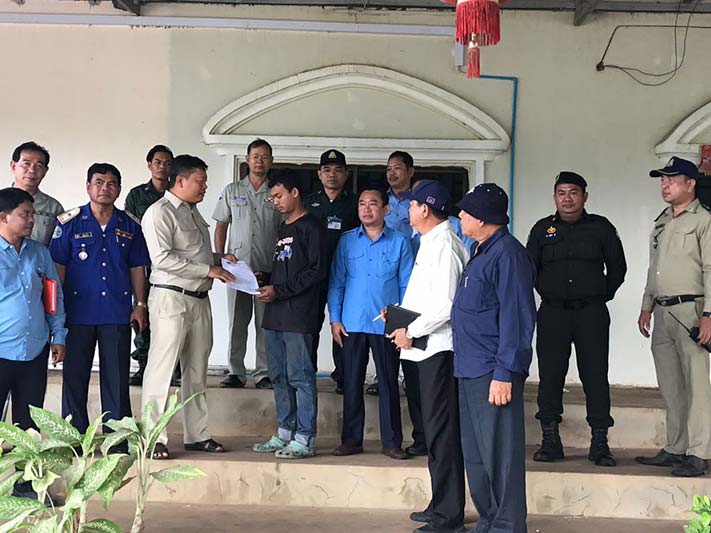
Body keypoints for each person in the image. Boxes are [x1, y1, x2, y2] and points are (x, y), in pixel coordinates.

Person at [526, 171, 627, 467]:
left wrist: (599, 295)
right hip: (553, 312)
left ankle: (600, 442)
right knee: (550, 375)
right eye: (561, 193)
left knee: (595, 375)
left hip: (590, 313)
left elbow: (618, 268)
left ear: (585, 196)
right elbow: (530, 270)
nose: (567, 199)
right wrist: (549, 291)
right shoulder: (542, 229)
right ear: (554, 197)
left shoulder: (601, 228)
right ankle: (550, 440)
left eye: (573, 192)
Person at [141, 154, 236, 459]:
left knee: (197, 371)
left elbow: (193, 253)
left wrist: (218, 259)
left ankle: (197, 435)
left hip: (199, 299)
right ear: (180, 181)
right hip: (171, 299)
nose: (205, 186)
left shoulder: (193, 212)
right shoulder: (159, 212)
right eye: (200, 181)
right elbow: (162, 259)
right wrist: (208, 269)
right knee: (162, 370)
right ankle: (154, 437)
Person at [453, 183, 536, 533]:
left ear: (484, 218)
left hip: (492, 370)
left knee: (500, 455)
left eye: (466, 211)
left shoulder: (508, 255)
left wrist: (505, 372)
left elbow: (517, 317)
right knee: (477, 455)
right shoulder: (481, 251)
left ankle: (507, 525)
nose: (460, 215)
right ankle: (488, 521)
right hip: (470, 367)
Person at [390, 179, 468, 533]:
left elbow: (447, 305)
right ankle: (440, 503)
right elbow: (425, 298)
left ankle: (449, 516)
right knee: (432, 430)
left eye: (411, 204)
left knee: (442, 433)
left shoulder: (446, 246)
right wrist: (399, 319)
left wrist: (412, 331)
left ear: (425, 208)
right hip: (421, 350)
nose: (407, 209)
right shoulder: (428, 241)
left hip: (438, 351)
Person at [49, 163, 150, 437]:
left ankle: (117, 440)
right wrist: (56, 312)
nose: (105, 188)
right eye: (99, 182)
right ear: (88, 187)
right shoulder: (68, 223)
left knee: (116, 380)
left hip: (116, 313)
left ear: (119, 189)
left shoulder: (130, 225)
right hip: (77, 313)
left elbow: (137, 267)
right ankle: (73, 438)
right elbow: (57, 269)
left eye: (111, 183)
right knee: (74, 378)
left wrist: (140, 305)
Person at [636, 156, 711, 478]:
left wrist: (709, 314)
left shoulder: (703, 221)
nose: (665, 186)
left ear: (690, 184)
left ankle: (699, 453)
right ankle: (676, 447)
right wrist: (646, 305)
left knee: (697, 385)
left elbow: (710, 269)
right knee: (671, 384)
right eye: (662, 180)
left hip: (691, 310)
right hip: (663, 311)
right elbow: (654, 268)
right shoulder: (663, 221)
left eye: (671, 180)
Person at [328, 188, 414, 460]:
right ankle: (351, 440)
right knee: (351, 382)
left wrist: (401, 323)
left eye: (373, 204)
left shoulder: (400, 242)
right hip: (351, 323)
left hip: (386, 325)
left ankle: (392, 442)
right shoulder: (347, 241)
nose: (366, 209)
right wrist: (334, 319)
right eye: (362, 203)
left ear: (386, 209)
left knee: (388, 382)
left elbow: (407, 285)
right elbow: (337, 282)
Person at [253, 172, 327, 459]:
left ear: (295, 192)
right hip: (275, 314)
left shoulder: (312, 227)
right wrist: (263, 279)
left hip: (299, 316)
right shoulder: (283, 227)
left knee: (300, 377)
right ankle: (285, 431)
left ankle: (304, 437)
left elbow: (316, 271)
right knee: (278, 376)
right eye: (272, 197)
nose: (275, 202)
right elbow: (286, 268)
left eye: (279, 196)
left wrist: (279, 290)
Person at [0, 187, 66, 499]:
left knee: (28, 425)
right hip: (1, 351)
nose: (32, 220)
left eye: (33, 214)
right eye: (25, 214)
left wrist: (58, 335)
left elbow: (53, 297)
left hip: (34, 351)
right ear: (3, 217)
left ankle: (26, 486)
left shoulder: (40, 253)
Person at [213, 138, 280, 389]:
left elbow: (285, 228)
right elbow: (221, 224)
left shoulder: (276, 192)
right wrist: (220, 257)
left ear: (271, 161)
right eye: (255, 156)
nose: (259, 161)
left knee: (265, 324)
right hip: (237, 269)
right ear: (247, 159)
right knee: (237, 322)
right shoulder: (232, 190)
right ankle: (235, 372)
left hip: (267, 267)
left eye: (264, 156)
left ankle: (264, 373)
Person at [305, 149, 358, 393]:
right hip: (313, 274)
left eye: (338, 170)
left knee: (342, 326)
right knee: (309, 326)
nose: (332, 175)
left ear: (346, 174)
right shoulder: (308, 202)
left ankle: (343, 376)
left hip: (346, 275)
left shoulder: (355, 204)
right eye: (327, 170)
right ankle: (307, 374)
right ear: (319, 174)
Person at [124, 144, 174, 386]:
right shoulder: (137, 195)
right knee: (142, 312)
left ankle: (172, 368)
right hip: (142, 263)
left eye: (167, 163)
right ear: (149, 165)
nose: (162, 167)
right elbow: (130, 229)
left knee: (170, 317)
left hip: (170, 265)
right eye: (157, 162)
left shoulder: (177, 191)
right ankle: (144, 364)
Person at [10, 141, 64, 246]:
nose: (32, 170)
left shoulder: (54, 208)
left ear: (45, 171)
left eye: (39, 165)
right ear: (13, 166)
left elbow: (59, 245)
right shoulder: (2, 200)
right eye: (26, 164)